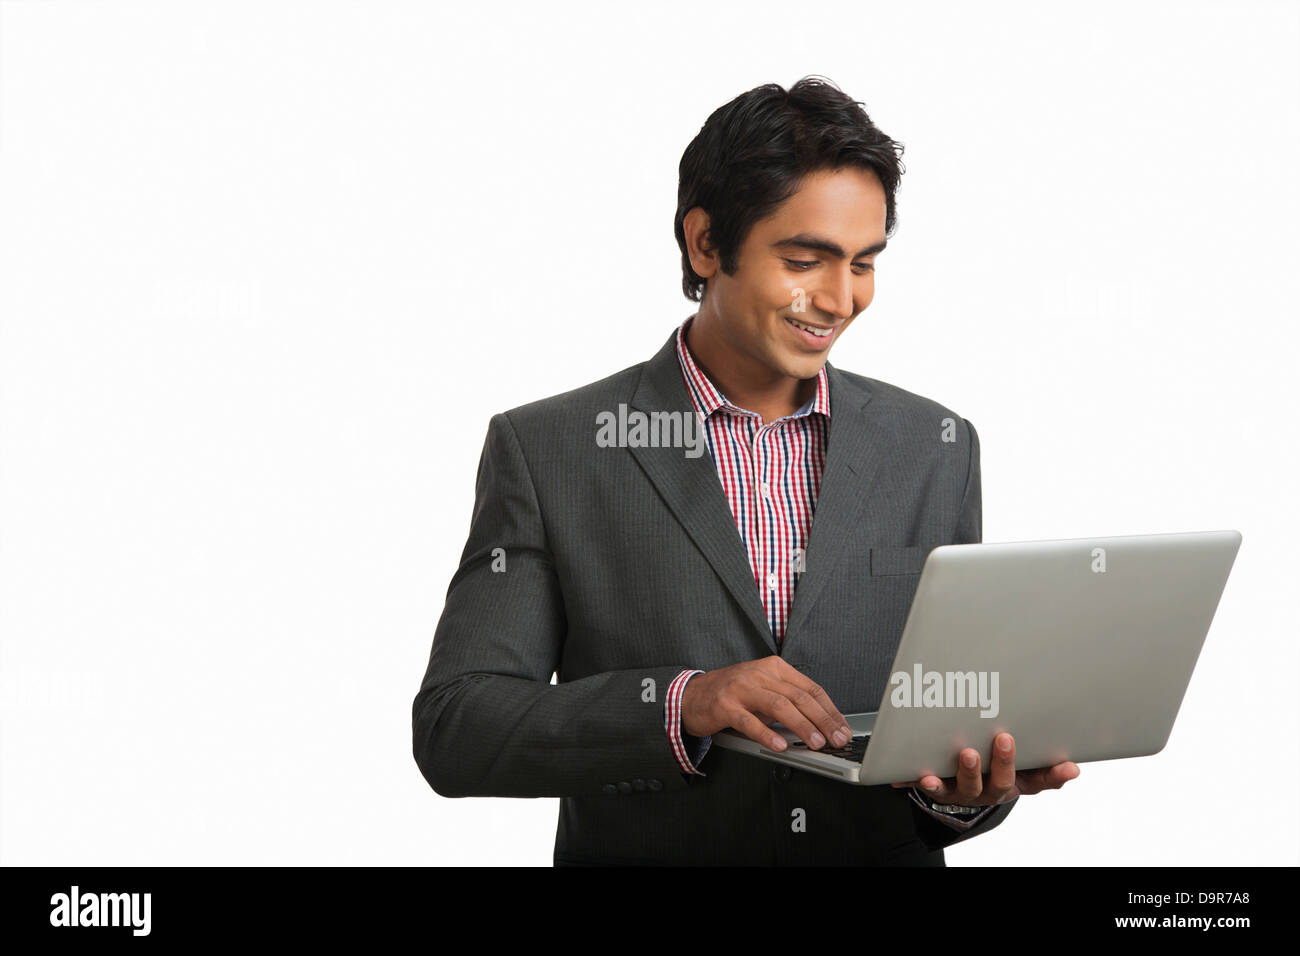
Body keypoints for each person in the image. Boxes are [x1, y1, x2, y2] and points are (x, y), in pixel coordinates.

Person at [411, 76, 1078, 866]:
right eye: (805, 259)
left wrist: (967, 795)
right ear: (705, 243)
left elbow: (947, 729)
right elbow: (457, 727)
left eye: (864, 263)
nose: (839, 299)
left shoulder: (933, 444)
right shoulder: (552, 448)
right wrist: (684, 700)